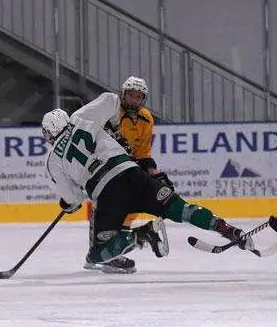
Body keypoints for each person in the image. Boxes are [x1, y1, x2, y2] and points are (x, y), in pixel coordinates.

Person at [43, 92, 254, 268]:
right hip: (132, 175)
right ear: (65, 119)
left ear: (49, 134)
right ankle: (227, 229)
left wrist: (68, 204)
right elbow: (112, 99)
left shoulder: (51, 161)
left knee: (97, 255)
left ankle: (142, 234)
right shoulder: (80, 117)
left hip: (107, 193)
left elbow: (74, 199)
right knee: (180, 208)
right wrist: (114, 129)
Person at [83, 76, 172, 274]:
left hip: (127, 167)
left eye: (138, 97)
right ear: (123, 95)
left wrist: (155, 175)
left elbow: (143, 153)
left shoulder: (146, 118)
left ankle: (109, 252)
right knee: (105, 205)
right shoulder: (110, 113)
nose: (133, 100)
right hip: (103, 165)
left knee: (130, 205)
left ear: (143, 99)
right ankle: (99, 252)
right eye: (130, 95)